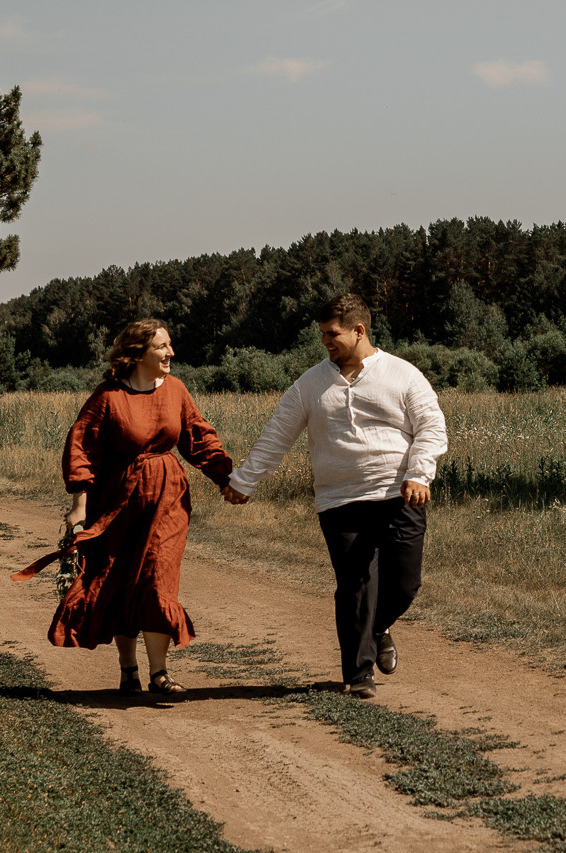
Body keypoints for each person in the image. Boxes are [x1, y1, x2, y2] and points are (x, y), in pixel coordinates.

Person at [222, 294, 447, 699]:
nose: (325, 341)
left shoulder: (403, 375)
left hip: (399, 494)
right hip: (339, 499)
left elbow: (431, 428)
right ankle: (359, 675)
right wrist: (245, 481)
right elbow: (277, 434)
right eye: (323, 334)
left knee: (405, 583)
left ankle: (377, 628)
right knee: (355, 583)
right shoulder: (309, 385)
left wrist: (418, 474)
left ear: (358, 330)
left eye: (332, 334)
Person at [47, 318, 233, 698]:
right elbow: (83, 447)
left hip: (168, 499)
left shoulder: (176, 390)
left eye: (169, 345)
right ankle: (128, 670)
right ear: (139, 353)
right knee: (119, 579)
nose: (171, 353)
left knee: (158, 578)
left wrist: (228, 479)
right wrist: (79, 505)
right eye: (163, 346)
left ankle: (160, 673)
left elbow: (198, 437)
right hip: (116, 502)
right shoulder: (108, 397)